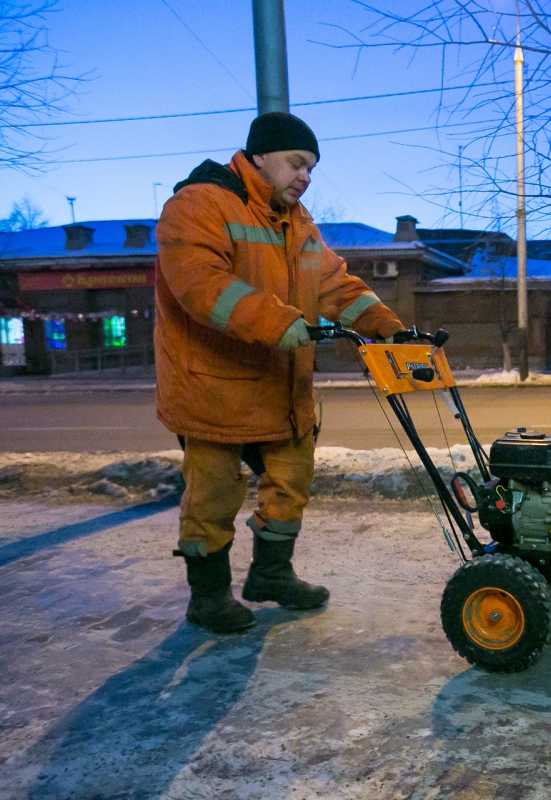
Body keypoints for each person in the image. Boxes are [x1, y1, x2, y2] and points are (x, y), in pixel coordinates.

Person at [155, 112, 404, 634]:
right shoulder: (198, 204)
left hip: (282, 385)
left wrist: (389, 329)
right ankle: (208, 597)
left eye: (311, 168)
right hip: (213, 388)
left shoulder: (299, 224)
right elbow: (199, 285)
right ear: (259, 155)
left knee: (291, 484)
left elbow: (337, 286)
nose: (305, 176)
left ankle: (270, 574)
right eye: (296, 163)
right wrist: (277, 321)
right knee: (213, 496)